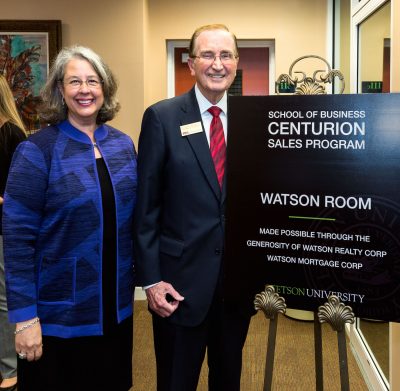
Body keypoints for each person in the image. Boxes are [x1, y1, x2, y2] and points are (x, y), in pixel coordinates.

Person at [2, 45, 137, 391]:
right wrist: (24, 318)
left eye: (93, 80)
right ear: (60, 90)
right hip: (57, 318)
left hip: (115, 311)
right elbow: (17, 241)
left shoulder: (123, 146)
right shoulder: (37, 151)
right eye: (74, 81)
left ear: (105, 88)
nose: (84, 89)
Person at [133, 24, 252, 391]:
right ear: (190, 63)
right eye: (208, 55)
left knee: (228, 379)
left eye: (226, 55)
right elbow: (146, 208)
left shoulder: (256, 119)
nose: (218, 64)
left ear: (236, 62)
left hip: (235, 286)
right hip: (177, 287)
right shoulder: (162, 118)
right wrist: (151, 281)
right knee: (175, 382)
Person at [0, 74, 26, 391]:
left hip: (4, 231)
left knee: (3, 300)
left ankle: (9, 370)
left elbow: (20, 193)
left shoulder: (13, 135)